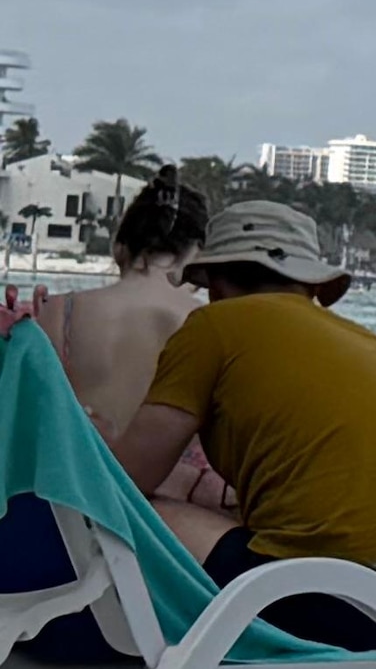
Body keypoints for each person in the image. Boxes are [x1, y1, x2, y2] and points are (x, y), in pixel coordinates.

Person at [115, 201, 376, 659]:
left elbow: (127, 478)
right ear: (310, 286)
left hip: (324, 601)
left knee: (143, 515)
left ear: (217, 283)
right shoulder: (365, 341)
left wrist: (85, 437)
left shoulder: (212, 326)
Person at [40, 171, 234, 542]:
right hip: (172, 525)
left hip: (74, 515)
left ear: (119, 247)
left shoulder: (56, 312)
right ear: (197, 254)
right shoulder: (209, 323)